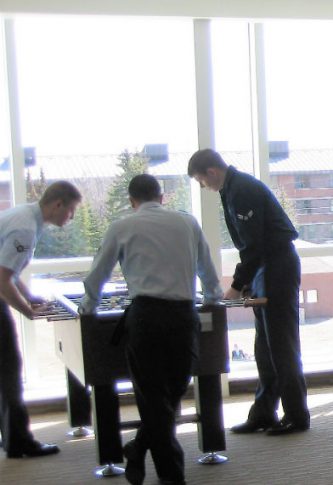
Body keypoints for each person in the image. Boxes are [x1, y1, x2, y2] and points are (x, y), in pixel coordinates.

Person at [80, 174, 222, 485]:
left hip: (145, 318)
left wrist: (87, 309)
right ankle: (172, 477)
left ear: (132, 201)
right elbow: (207, 270)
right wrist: (213, 300)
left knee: (157, 400)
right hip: (184, 317)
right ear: (162, 197)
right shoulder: (188, 223)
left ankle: (137, 446)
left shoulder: (122, 226)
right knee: (169, 394)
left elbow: (97, 275)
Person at [188, 148, 309, 435]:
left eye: (201, 181)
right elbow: (252, 248)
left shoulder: (242, 190)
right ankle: (264, 412)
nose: (203, 187)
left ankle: (297, 415)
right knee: (264, 350)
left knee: (282, 347)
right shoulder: (231, 189)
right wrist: (249, 281)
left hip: (277, 268)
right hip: (265, 269)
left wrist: (236, 285)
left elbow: (253, 246)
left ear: (212, 173)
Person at [0, 180, 81, 459]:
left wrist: (29, 296)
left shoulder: (24, 215)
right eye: (70, 211)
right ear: (58, 204)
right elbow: (1, 280)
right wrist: (27, 311)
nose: (70, 218)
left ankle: (11, 438)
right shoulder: (24, 227)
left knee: (5, 369)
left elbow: (8, 270)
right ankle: (19, 441)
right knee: (9, 368)